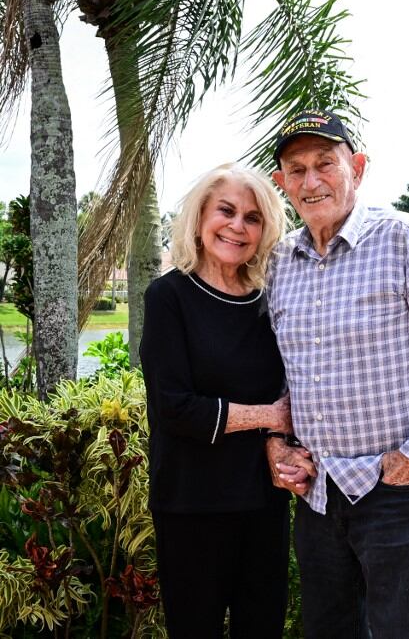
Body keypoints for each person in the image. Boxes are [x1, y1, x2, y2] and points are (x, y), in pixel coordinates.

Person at [265, 109, 409, 638]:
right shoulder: (280, 261)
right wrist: (277, 442)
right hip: (316, 495)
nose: (311, 182)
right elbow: (278, 371)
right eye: (297, 170)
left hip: (398, 489)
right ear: (282, 183)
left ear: (356, 167)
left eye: (325, 164)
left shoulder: (402, 237)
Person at [139, 164, 295, 639]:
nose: (237, 226)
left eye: (252, 218)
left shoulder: (273, 299)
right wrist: (269, 415)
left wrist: (279, 434)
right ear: (200, 217)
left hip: (263, 502)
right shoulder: (169, 296)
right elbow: (174, 408)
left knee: (262, 628)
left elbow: (294, 386)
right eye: (226, 211)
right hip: (191, 502)